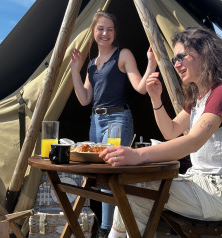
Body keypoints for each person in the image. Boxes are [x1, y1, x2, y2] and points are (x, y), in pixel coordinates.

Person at [99, 26, 222, 238]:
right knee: (136, 189)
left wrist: (138, 155)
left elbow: (193, 141)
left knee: (138, 189)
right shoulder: (198, 98)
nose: (176, 64)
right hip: (198, 183)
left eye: (181, 57)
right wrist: (155, 98)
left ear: (204, 54)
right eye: (174, 59)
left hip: (220, 192)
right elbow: (171, 131)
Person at [70, 11, 157, 238]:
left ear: (115, 32)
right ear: (93, 32)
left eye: (109, 29)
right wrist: (74, 70)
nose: (105, 33)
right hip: (95, 121)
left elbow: (140, 87)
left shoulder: (123, 54)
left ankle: (107, 230)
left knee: (111, 173)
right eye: (100, 29)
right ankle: (110, 227)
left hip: (118, 119)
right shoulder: (91, 64)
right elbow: (84, 99)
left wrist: (151, 64)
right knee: (98, 174)